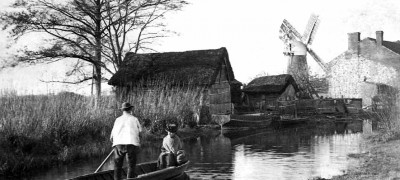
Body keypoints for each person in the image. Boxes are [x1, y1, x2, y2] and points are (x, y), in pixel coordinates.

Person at [110, 102, 142, 180]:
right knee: (131, 165)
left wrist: (116, 144)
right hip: (131, 143)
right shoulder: (134, 119)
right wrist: (139, 143)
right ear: (130, 109)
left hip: (118, 144)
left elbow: (111, 137)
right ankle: (130, 179)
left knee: (117, 165)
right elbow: (140, 132)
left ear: (123, 110)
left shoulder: (117, 120)